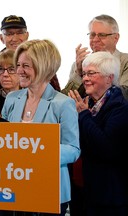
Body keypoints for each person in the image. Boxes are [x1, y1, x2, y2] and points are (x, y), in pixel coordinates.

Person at [1, 39, 80, 215]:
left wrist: (38, 151)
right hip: (13, 188)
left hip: (49, 190)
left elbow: (73, 149)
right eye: (18, 65)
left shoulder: (63, 103)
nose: (19, 71)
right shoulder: (12, 99)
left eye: (26, 66)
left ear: (44, 67)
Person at [68, 51, 128, 216]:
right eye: (84, 73)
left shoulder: (120, 108)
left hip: (108, 198)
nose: (85, 78)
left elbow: (106, 147)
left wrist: (83, 115)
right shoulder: (86, 103)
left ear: (109, 78)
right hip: (81, 191)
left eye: (91, 73)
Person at [0, 15, 61, 92]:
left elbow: (55, 93)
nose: (15, 38)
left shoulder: (42, 61)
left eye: (20, 33)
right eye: (9, 34)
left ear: (27, 35)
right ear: (1, 38)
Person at [61, 14, 128, 99]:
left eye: (102, 35)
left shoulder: (125, 61)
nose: (95, 40)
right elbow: (66, 99)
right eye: (92, 35)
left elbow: (124, 96)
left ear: (116, 38)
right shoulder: (79, 64)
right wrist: (78, 73)